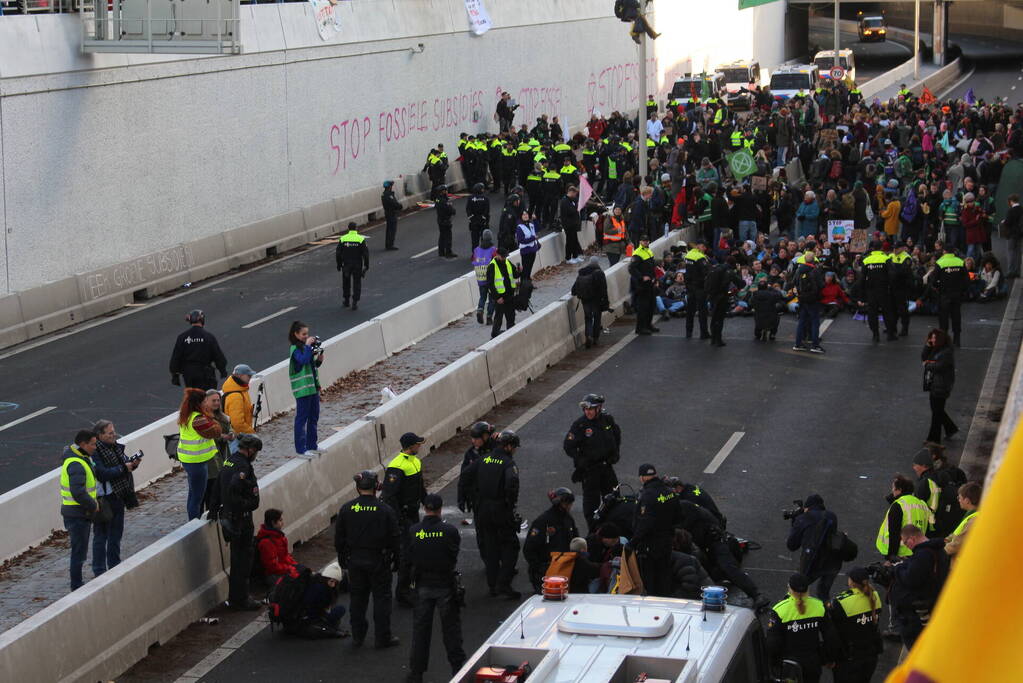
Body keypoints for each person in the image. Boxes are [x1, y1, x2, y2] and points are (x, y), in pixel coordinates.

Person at [335, 470, 401, 648]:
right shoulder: (385, 510)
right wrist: (397, 559)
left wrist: (342, 557)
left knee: (357, 599)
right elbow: (395, 537)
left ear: (357, 487)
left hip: (355, 561)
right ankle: (382, 637)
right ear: (376, 487)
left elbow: (339, 538)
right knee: (382, 599)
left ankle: (358, 636)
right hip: (379, 560)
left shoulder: (347, 509)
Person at [59, 429, 130, 590]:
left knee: (81, 550)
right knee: (79, 552)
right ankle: (77, 586)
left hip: (79, 512)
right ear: (83, 444)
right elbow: (78, 492)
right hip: (77, 514)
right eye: (92, 444)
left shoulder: (82, 459)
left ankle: (78, 584)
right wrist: (93, 505)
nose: (95, 447)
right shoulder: (76, 464)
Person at [406, 494, 465, 683]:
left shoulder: (414, 530)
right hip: (445, 584)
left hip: (422, 584)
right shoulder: (449, 531)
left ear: (424, 509)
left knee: (421, 630)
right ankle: (458, 669)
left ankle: (416, 673)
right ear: (440, 509)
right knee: (451, 630)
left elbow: (408, 557)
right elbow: (453, 554)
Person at [461, 430, 522, 599]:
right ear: (508, 446)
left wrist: (472, 496)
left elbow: (465, 475)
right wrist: (510, 504)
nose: (515, 450)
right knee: (511, 546)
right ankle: (504, 583)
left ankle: (492, 585)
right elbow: (511, 483)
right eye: (514, 447)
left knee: (491, 546)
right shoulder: (508, 463)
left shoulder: (483, 459)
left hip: (482, 509)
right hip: (500, 509)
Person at [381, 432, 428, 607]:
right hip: (404, 517)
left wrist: (428, 504)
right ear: (410, 446)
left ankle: (412, 586)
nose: (420, 446)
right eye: (417, 444)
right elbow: (389, 496)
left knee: (415, 552)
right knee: (406, 556)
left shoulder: (416, 462)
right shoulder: (396, 466)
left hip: (414, 514)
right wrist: (399, 519)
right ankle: (402, 592)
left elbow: (420, 487)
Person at [218, 433, 263, 610]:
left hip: (230, 517)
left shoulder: (229, 461)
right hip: (240, 520)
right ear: (250, 450)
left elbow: (218, 486)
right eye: (256, 452)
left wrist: (214, 509)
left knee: (237, 558)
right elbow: (234, 489)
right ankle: (241, 599)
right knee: (243, 561)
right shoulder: (244, 467)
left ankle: (237, 597)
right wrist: (246, 505)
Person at [563, 394, 621, 530]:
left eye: (590, 409)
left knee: (614, 498)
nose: (587, 412)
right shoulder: (580, 425)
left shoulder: (607, 420)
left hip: (606, 467)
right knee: (591, 504)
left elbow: (616, 435)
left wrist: (615, 453)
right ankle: (594, 530)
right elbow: (568, 446)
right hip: (590, 470)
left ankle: (613, 528)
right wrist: (580, 460)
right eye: (585, 409)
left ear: (599, 408)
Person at [766, 573, 838, 683]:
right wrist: (829, 658)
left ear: (789, 588)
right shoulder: (819, 606)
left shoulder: (779, 610)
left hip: (789, 665)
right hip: (813, 663)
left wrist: (773, 664)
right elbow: (830, 636)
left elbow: (773, 644)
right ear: (808, 589)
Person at [90, 420, 140, 578]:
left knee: (116, 534)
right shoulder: (95, 452)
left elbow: (124, 464)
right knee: (101, 535)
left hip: (118, 496)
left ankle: (114, 565)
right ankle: (99, 570)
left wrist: (133, 464)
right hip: (104, 499)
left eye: (113, 431)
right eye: (110, 433)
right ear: (99, 435)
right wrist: (123, 468)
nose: (114, 435)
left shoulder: (115, 447)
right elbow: (102, 474)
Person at [889, 524, 950, 650]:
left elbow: (911, 579)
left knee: (915, 646)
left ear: (912, 539)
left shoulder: (922, 555)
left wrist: (897, 569)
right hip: (933, 603)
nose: (906, 545)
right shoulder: (939, 550)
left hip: (917, 611)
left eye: (905, 542)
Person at [630, 464, 680, 597]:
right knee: (664, 575)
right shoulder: (670, 493)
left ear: (642, 478)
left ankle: (653, 603)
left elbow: (645, 523)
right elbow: (679, 516)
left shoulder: (647, 496)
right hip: (667, 541)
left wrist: (633, 542)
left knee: (650, 579)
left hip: (650, 545)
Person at [828, 567, 883, 683]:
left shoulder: (841, 602)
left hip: (850, 658)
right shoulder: (875, 596)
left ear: (852, 582)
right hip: (871, 654)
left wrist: (829, 657)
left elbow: (833, 632)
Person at [176, 387, 221, 520]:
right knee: (197, 497)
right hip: (197, 461)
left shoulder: (187, 415)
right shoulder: (198, 419)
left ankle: (193, 520)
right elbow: (216, 431)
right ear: (199, 403)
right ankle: (194, 523)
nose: (206, 403)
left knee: (193, 493)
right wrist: (210, 417)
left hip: (189, 460)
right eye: (205, 401)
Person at [523, 488, 580, 593]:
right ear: (559, 503)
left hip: (564, 568)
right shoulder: (542, 522)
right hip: (546, 570)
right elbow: (529, 549)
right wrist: (540, 568)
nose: (570, 506)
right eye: (567, 504)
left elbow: (575, 539)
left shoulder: (568, 519)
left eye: (570, 503)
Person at [786, 494, 841, 599]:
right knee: (823, 593)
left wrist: (795, 521)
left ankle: (796, 608)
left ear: (807, 507)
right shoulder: (832, 516)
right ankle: (826, 608)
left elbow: (792, 545)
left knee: (797, 589)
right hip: (833, 561)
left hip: (812, 561)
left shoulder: (803, 518)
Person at [288, 321, 323, 457]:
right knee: (301, 419)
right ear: (296, 334)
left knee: (314, 416)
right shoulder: (295, 349)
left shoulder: (304, 347)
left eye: (307, 334)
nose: (306, 336)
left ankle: (312, 445)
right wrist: (308, 346)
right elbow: (302, 361)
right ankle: (301, 449)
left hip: (312, 388)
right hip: (302, 390)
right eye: (303, 334)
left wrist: (319, 360)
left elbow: (310, 365)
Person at [286, 563, 348, 639]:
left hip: (304, 615)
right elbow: (311, 606)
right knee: (340, 610)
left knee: (338, 611)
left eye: (335, 582)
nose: (333, 585)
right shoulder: (321, 589)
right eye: (332, 581)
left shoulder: (316, 581)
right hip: (308, 617)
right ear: (326, 578)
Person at [169, 309, 227, 390]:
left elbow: (176, 357)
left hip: (189, 375)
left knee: (193, 396)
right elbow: (218, 355)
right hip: (205, 373)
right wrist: (222, 370)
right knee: (208, 396)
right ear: (202, 320)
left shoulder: (182, 337)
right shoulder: (208, 336)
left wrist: (175, 375)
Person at [876, 475, 931, 561]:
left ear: (900, 490)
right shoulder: (922, 504)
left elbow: (894, 533)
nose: (892, 490)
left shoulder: (898, 505)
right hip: (916, 550)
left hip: (900, 553)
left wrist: (891, 556)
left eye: (894, 488)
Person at [922, 328, 958, 444]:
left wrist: (927, 365)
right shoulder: (936, 349)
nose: (931, 340)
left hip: (941, 385)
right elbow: (924, 357)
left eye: (933, 338)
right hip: (935, 384)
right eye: (931, 337)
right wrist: (928, 345)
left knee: (936, 413)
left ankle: (933, 439)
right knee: (937, 410)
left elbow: (939, 366)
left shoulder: (946, 353)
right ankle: (950, 428)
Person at [858, 241, 897, 342]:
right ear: (881, 248)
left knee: (872, 313)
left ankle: (875, 335)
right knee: (887, 312)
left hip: (871, 291)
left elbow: (862, 279)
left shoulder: (866, 260)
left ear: (872, 248)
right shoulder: (886, 259)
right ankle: (890, 334)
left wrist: (862, 295)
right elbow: (892, 275)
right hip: (884, 290)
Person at [457, 421, 494, 518]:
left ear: (485, 436)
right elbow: (464, 476)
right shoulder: (470, 453)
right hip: (477, 498)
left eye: (476, 438)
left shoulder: (496, 451)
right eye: (472, 438)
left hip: (493, 499)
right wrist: (461, 497)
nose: (473, 441)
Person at [202, 389, 231, 512]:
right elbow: (207, 436)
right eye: (213, 401)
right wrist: (222, 437)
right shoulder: (202, 419)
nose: (216, 403)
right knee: (210, 492)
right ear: (206, 401)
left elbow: (229, 430)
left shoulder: (223, 417)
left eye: (218, 400)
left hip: (223, 457)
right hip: (211, 461)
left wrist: (231, 434)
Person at [572, 256, 610, 348]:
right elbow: (604, 289)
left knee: (588, 318)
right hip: (596, 300)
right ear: (597, 263)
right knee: (597, 318)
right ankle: (595, 338)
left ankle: (588, 335)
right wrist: (605, 301)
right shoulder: (599, 273)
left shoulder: (582, 272)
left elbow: (574, 288)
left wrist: (576, 292)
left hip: (585, 299)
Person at [705, 256, 742, 347]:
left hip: (712, 296)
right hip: (722, 296)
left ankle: (713, 339)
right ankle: (718, 340)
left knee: (714, 317)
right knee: (720, 318)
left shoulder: (715, 268)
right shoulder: (729, 271)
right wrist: (738, 271)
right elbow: (741, 283)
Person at [933, 248, 967, 346]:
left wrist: (938, 288)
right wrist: (962, 291)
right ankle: (957, 339)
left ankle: (944, 340)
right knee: (956, 316)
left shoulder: (940, 262)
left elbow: (934, 280)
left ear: (944, 251)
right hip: (956, 294)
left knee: (943, 318)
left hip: (944, 294)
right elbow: (966, 279)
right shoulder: (960, 262)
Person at [255, 508, 299, 584]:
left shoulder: (279, 536)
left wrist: (295, 565)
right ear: (273, 523)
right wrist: (289, 569)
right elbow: (272, 566)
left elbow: (285, 556)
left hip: (284, 569)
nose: (283, 523)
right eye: (280, 520)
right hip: (274, 575)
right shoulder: (266, 542)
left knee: (304, 573)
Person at [793, 252, 825, 353]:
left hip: (802, 298)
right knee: (815, 321)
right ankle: (815, 345)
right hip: (813, 299)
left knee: (802, 321)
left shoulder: (799, 270)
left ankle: (798, 344)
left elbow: (794, 282)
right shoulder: (814, 271)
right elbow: (821, 285)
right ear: (813, 260)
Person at [335, 222, 370, 310]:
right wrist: (366, 266)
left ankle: (346, 301)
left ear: (348, 228)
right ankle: (354, 302)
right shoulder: (360, 239)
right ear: (356, 228)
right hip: (357, 264)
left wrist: (339, 264)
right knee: (357, 283)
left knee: (346, 283)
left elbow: (338, 253)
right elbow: (366, 254)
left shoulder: (343, 239)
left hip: (346, 264)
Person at [629, 237, 658, 335]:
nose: (646, 242)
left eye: (647, 240)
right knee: (643, 307)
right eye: (644, 241)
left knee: (651, 305)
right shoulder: (637, 253)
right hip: (642, 285)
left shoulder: (649, 251)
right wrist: (641, 277)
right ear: (640, 242)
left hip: (650, 283)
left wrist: (654, 278)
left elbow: (652, 267)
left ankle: (648, 325)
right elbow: (631, 268)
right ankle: (640, 328)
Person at [221, 364, 255, 445]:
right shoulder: (235, 396)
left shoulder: (241, 390)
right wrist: (251, 433)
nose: (250, 377)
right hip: (238, 438)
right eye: (248, 376)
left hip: (240, 436)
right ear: (240, 376)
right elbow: (237, 423)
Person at [487, 248, 518, 338]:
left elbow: (515, 274)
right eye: (503, 256)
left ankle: (511, 332)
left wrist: (519, 271)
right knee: (499, 317)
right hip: (500, 297)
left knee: (511, 315)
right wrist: (497, 297)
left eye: (505, 256)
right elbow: (490, 284)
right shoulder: (492, 266)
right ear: (497, 255)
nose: (504, 258)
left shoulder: (507, 262)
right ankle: (495, 334)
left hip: (509, 294)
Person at [944, 481, 980, 557]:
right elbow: (958, 533)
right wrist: (946, 540)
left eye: (959, 497)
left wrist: (940, 552)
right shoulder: (972, 515)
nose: (958, 500)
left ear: (967, 501)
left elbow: (958, 544)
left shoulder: (974, 519)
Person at [683, 241, 710, 339]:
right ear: (699, 246)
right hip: (700, 287)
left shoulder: (688, 255)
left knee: (690, 311)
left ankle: (688, 332)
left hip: (690, 287)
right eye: (703, 247)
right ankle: (704, 333)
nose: (704, 249)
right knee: (702, 311)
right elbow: (706, 272)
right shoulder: (700, 257)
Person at [472, 229, 498, 326]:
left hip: (480, 279)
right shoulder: (493, 250)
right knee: (492, 299)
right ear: (491, 238)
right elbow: (497, 262)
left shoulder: (476, 250)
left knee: (482, 297)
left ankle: (480, 309)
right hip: (490, 279)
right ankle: (489, 317)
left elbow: (473, 260)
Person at [889, 241, 913, 336]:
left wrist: (892, 272)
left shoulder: (906, 258)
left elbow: (903, 272)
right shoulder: (891, 256)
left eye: (897, 248)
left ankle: (904, 328)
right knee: (892, 308)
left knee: (902, 309)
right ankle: (892, 327)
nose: (894, 250)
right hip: (892, 286)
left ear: (902, 248)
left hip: (901, 287)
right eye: (894, 248)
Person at [560, 186, 584, 263]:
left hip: (573, 224)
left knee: (574, 241)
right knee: (569, 241)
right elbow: (570, 211)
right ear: (571, 192)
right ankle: (568, 258)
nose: (575, 196)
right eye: (575, 194)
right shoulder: (564, 201)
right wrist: (577, 208)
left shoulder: (572, 200)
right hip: (568, 225)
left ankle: (575, 256)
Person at [515, 210, 540, 280]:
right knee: (526, 268)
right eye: (523, 215)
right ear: (521, 217)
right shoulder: (519, 227)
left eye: (526, 214)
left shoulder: (531, 224)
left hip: (533, 249)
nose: (525, 216)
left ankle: (528, 281)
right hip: (525, 251)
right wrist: (533, 238)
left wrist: (535, 220)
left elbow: (538, 229)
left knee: (530, 267)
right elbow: (521, 240)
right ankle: (524, 283)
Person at [434, 186, 458, 259]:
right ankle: (448, 252)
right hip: (445, 220)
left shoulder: (437, 199)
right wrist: (453, 210)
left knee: (442, 236)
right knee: (448, 237)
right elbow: (450, 210)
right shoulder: (444, 201)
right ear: (442, 191)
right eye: (445, 190)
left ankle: (441, 252)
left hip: (440, 220)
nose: (447, 192)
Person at [466, 183, 491, 251]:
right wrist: (483, 218)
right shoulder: (485, 198)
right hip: (483, 222)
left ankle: (475, 254)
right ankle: (485, 254)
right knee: (484, 240)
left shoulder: (470, 198)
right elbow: (487, 210)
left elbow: (468, 209)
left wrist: (472, 218)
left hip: (474, 222)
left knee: (475, 240)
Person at [381, 179, 402, 250]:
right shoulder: (388, 195)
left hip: (388, 213)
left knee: (389, 229)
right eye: (391, 186)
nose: (391, 187)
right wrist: (400, 206)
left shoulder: (384, 194)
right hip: (391, 213)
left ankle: (388, 244)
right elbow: (394, 203)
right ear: (389, 187)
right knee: (392, 230)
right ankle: (390, 245)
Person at [1004, 193, 1021, 278]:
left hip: (1011, 234)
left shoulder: (1010, 211)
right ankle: (1017, 271)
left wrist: (1004, 222)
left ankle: (1010, 271)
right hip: (1020, 234)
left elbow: (1007, 222)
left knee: (1010, 252)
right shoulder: (1022, 209)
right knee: (1018, 253)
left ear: (1011, 201)